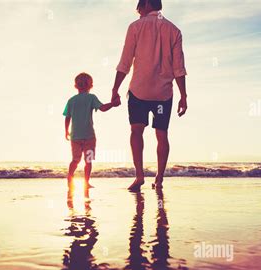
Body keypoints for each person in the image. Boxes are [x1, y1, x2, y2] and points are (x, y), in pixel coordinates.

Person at [111, 0, 188, 191]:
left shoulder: (135, 26)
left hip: (139, 91)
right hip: (163, 93)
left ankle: (139, 177)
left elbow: (125, 62)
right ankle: (159, 179)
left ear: (146, 4)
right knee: (162, 134)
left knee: (136, 131)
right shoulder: (174, 30)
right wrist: (184, 96)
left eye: (139, 9)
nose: (138, 13)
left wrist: (115, 89)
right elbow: (179, 67)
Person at [64, 72, 120, 189]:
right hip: (89, 136)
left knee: (75, 160)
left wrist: (66, 131)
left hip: (75, 137)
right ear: (91, 85)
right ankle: (86, 182)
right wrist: (113, 104)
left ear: (75, 86)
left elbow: (67, 117)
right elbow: (103, 108)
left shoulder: (71, 100)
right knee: (88, 161)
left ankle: (70, 177)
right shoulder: (91, 98)